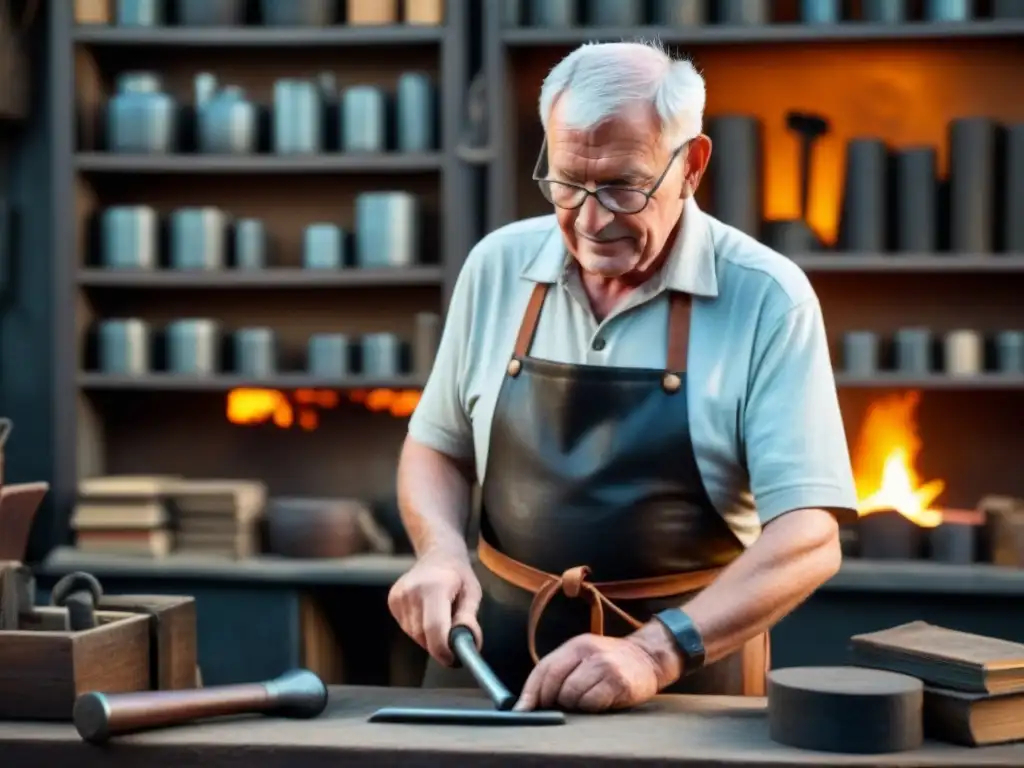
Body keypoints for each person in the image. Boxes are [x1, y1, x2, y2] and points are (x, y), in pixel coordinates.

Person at [387, 40, 857, 714]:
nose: (590, 219)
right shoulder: (497, 266)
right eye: (568, 184)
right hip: (487, 670)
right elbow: (437, 445)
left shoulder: (767, 297)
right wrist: (439, 552)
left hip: (683, 693)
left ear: (691, 165)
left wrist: (655, 652)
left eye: (622, 187)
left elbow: (810, 534)